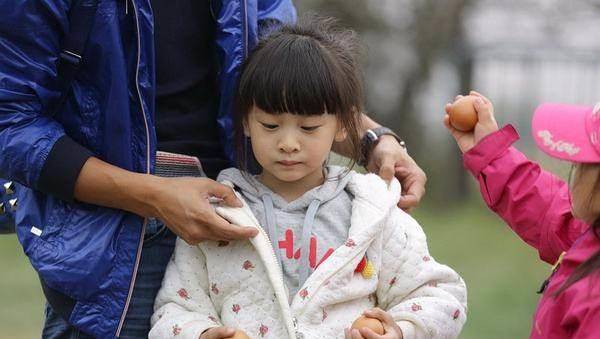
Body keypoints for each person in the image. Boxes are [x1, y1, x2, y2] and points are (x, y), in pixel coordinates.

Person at [0, 1, 427, 338]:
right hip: (109, 238)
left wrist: (372, 137)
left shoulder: (367, 207)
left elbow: (282, 77)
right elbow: (10, 121)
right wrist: (153, 196)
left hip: (238, 215)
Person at [149, 16, 467, 339]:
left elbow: (442, 297)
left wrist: (397, 331)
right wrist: (202, 334)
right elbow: (173, 311)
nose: (288, 143)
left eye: (308, 127)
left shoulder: (372, 213)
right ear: (246, 122)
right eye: (270, 126)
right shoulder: (218, 215)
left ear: (344, 125)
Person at [445, 91, 600, 338]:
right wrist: (491, 156)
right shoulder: (591, 237)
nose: (575, 171)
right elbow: (551, 212)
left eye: (581, 163)